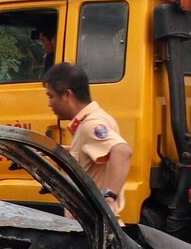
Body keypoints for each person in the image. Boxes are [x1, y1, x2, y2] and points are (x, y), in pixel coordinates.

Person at [44, 63, 131, 216]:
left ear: (67, 95)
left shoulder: (91, 124)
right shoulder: (91, 121)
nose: (49, 103)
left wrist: (109, 199)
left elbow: (122, 151)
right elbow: (90, 156)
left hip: (93, 228)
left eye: (51, 96)